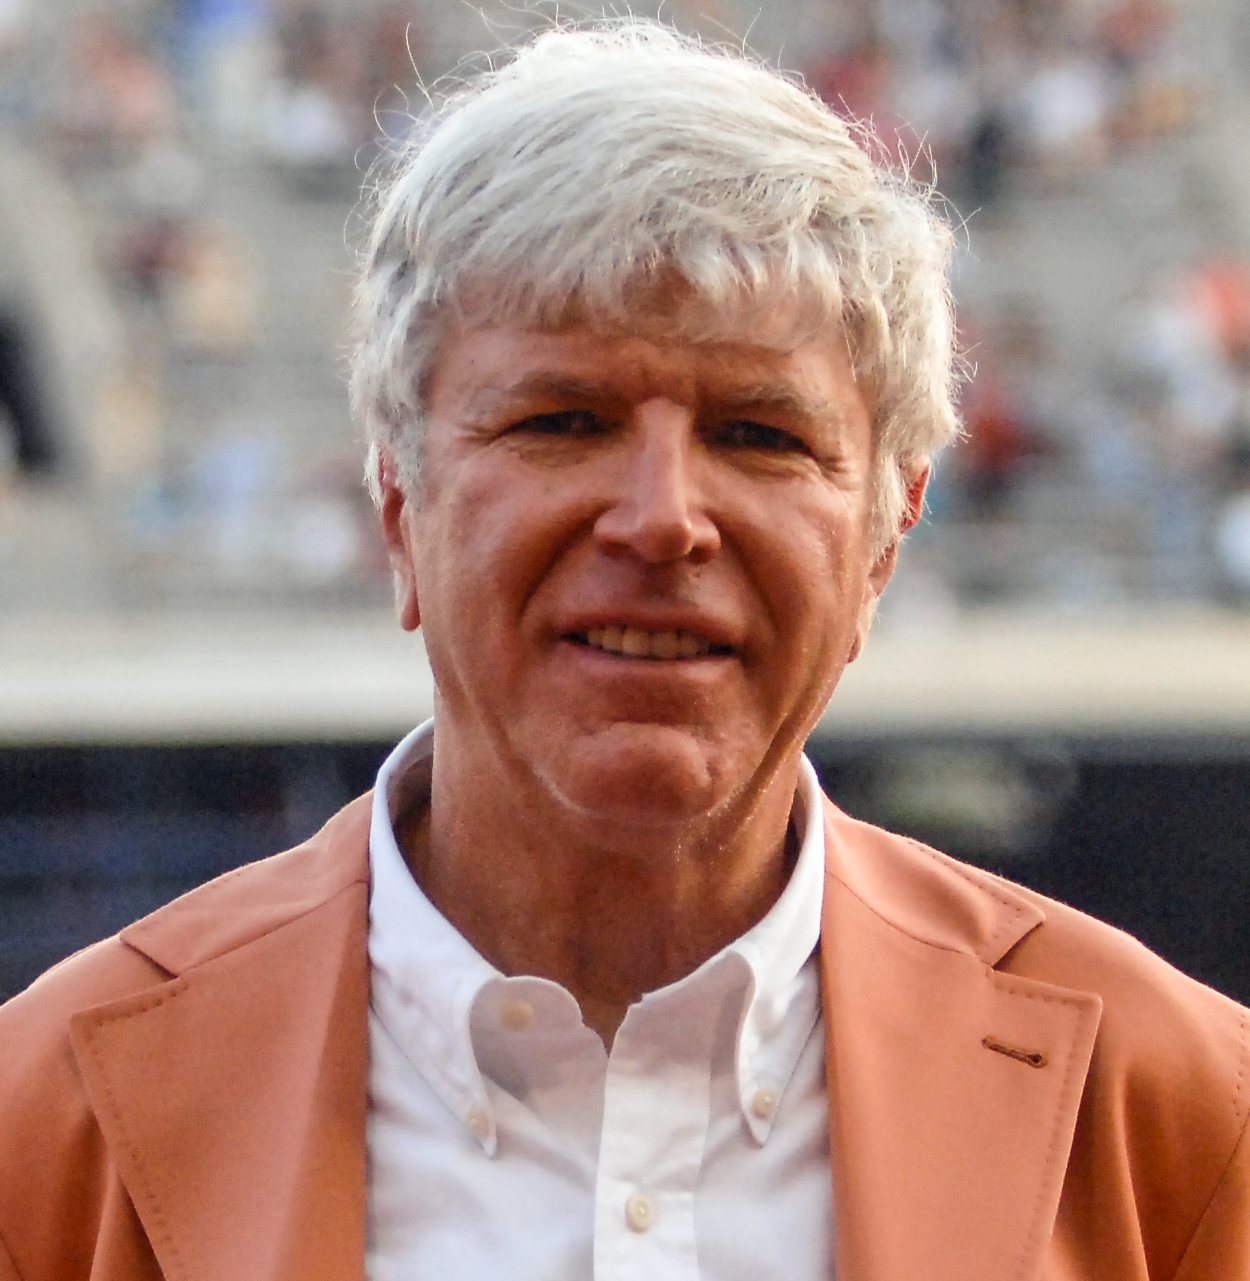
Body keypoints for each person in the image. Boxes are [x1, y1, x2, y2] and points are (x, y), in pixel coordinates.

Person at [1, 21, 1248, 1281]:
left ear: (884, 537)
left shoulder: (1178, 1125)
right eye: (562, 419)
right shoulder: (45, 1131)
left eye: (759, 435)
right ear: (395, 502)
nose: (662, 517)